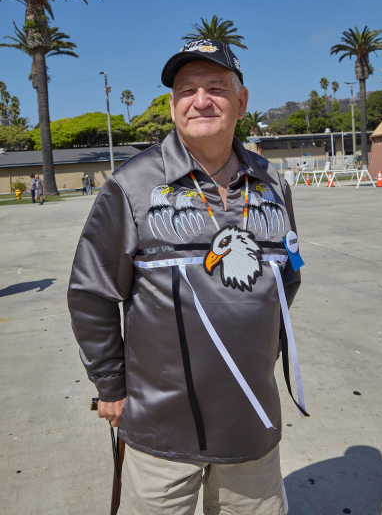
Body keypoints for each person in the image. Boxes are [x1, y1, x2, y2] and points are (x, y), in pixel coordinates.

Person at [68, 39, 305, 515]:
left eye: (216, 87)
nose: (200, 100)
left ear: (241, 101)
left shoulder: (273, 184)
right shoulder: (131, 187)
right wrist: (111, 386)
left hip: (250, 425)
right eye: (186, 89)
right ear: (173, 104)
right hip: (160, 430)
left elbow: (287, 276)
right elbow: (91, 294)